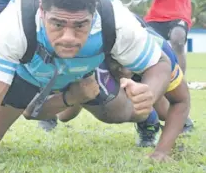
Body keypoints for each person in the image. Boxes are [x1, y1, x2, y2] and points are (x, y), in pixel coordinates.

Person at [0, 0, 174, 173]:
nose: (68, 37)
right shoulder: (13, 24)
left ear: (94, 16)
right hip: (31, 74)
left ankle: (150, 120)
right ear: (42, 11)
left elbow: (160, 63)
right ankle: (69, 101)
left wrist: (149, 95)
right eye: (57, 24)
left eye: (80, 25)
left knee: (122, 112)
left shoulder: (117, 20)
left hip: (85, 72)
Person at [57, 18, 192, 151]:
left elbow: (181, 100)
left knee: (162, 111)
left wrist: (163, 150)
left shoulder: (160, 52)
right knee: (64, 115)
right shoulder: (95, 50)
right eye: (119, 67)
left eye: (128, 66)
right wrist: (76, 94)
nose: (124, 71)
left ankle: (150, 122)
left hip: (146, 68)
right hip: (104, 64)